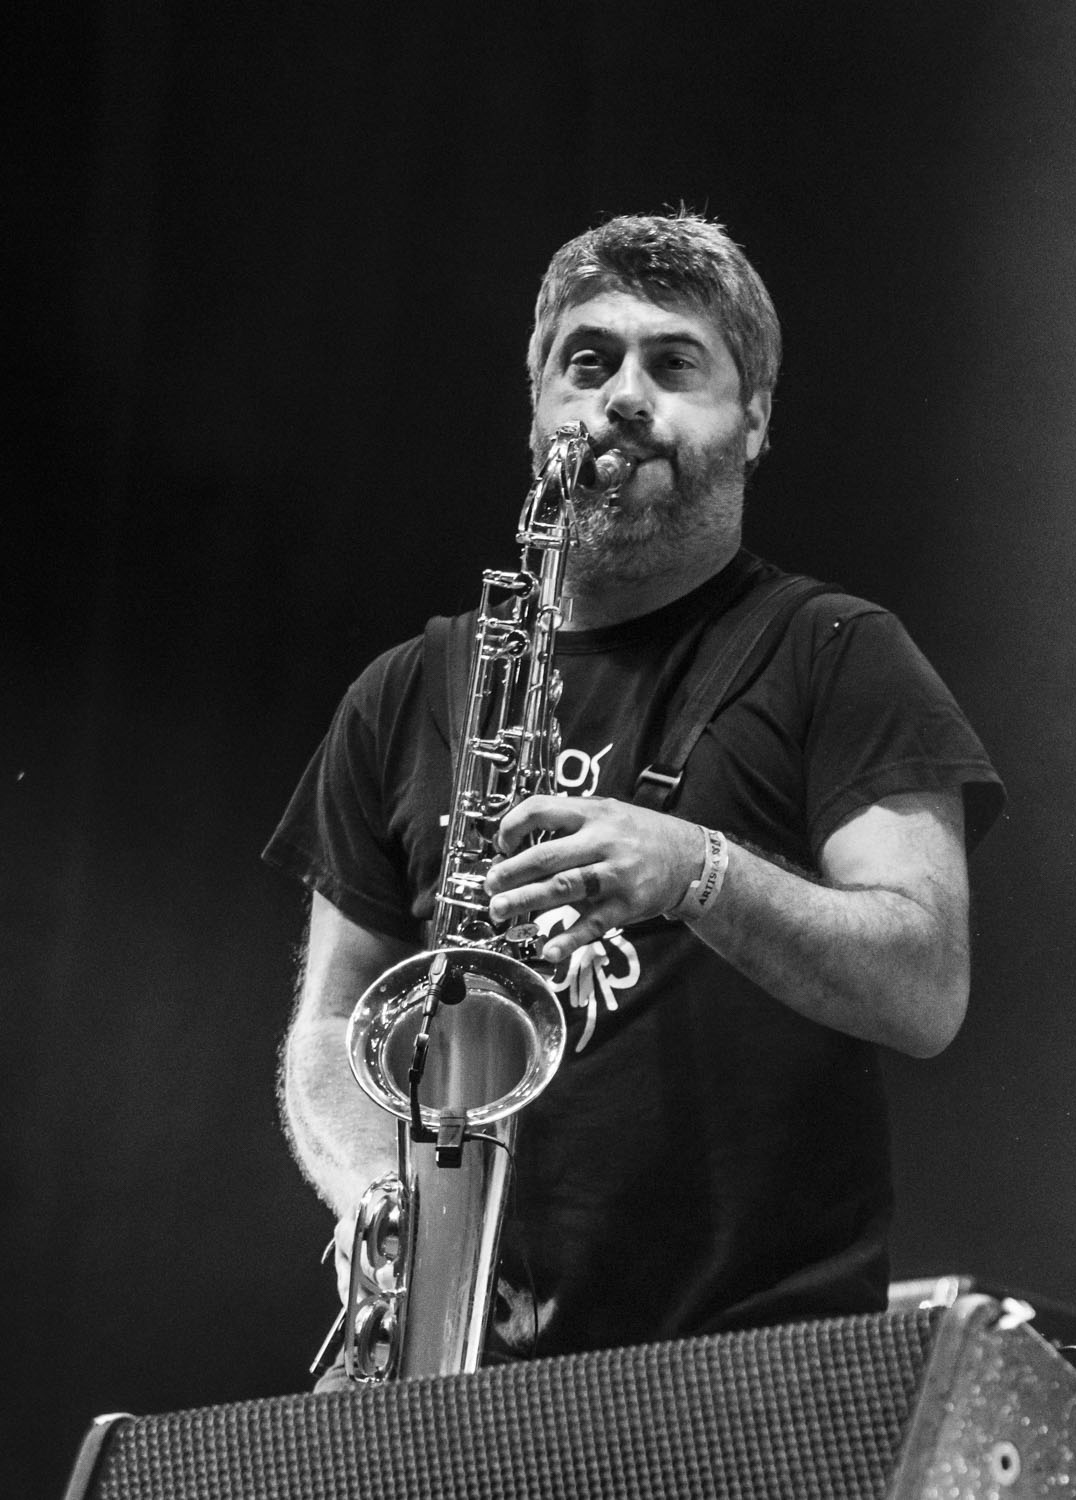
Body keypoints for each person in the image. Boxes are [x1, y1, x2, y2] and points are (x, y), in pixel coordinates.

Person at [270, 212, 1003, 1374]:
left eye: (674, 364)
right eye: (588, 361)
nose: (621, 398)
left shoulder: (836, 652)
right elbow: (334, 1024)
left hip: (750, 1368)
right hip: (459, 1362)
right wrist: (373, 1184)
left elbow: (927, 987)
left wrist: (696, 871)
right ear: (537, 410)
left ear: (754, 420)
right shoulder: (407, 690)